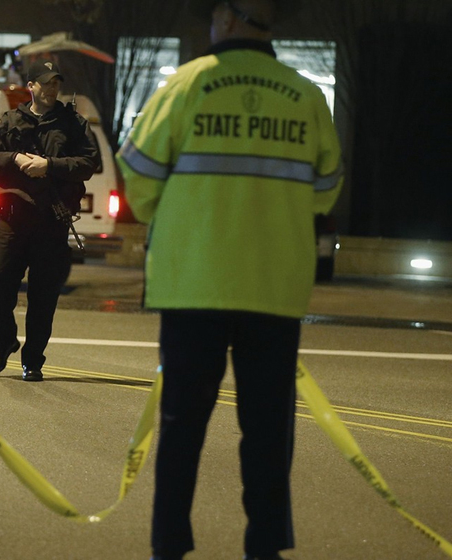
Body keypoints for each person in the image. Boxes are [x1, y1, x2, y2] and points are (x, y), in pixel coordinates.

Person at [115, 0, 343, 559]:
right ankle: (264, 546)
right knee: (268, 430)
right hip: (274, 285)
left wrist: (178, 215)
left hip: (193, 283)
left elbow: (138, 175)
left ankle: (170, 545)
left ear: (227, 17)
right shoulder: (306, 95)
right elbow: (326, 188)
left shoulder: (186, 84)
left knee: (182, 426)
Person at [0, 59, 99, 382]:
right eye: (45, 82)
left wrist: (50, 165)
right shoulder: (10, 121)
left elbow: (89, 163)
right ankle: (4, 342)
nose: (51, 88)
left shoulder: (72, 123)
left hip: (51, 221)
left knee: (43, 295)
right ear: (31, 86)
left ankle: (33, 360)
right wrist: (14, 158)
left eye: (56, 82)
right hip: (13, 218)